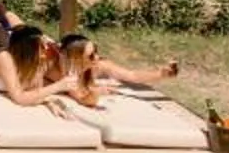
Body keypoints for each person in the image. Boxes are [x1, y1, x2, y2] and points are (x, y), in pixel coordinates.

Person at [50, 32, 179, 106]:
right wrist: (96, 92)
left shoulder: (97, 65)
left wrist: (160, 74)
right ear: (76, 59)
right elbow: (84, 101)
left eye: (95, 51)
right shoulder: (67, 74)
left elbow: (131, 75)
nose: (97, 57)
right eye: (90, 55)